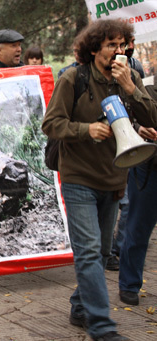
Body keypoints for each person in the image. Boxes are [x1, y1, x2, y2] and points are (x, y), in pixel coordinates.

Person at [42, 19, 157, 341]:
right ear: (94, 50)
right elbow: (51, 124)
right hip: (79, 177)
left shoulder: (130, 78)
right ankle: (102, 327)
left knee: (102, 252)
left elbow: (153, 119)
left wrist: (132, 90)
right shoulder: (72, 78)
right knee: (90, 252)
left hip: (115, 177)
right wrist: (85, 130)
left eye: (123, 45)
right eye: (112, 46)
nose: (119, 52)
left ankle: (80, 305)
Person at [106, 35, 146, 271]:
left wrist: (142, 127)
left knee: (129, 203)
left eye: (126, 44)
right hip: (103, 156)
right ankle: (107, 249)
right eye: (116, 45)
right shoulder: (78, 76)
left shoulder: (135, 71)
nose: (123, 49)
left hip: (131, 147)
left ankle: (118, 248)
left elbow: (142, 111)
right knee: (113, 203)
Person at [118, 74, 157, 306]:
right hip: (149, 168)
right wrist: (139, 128)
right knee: (138, 227)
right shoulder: (147, 90)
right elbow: (124, 120)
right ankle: (129, 284)